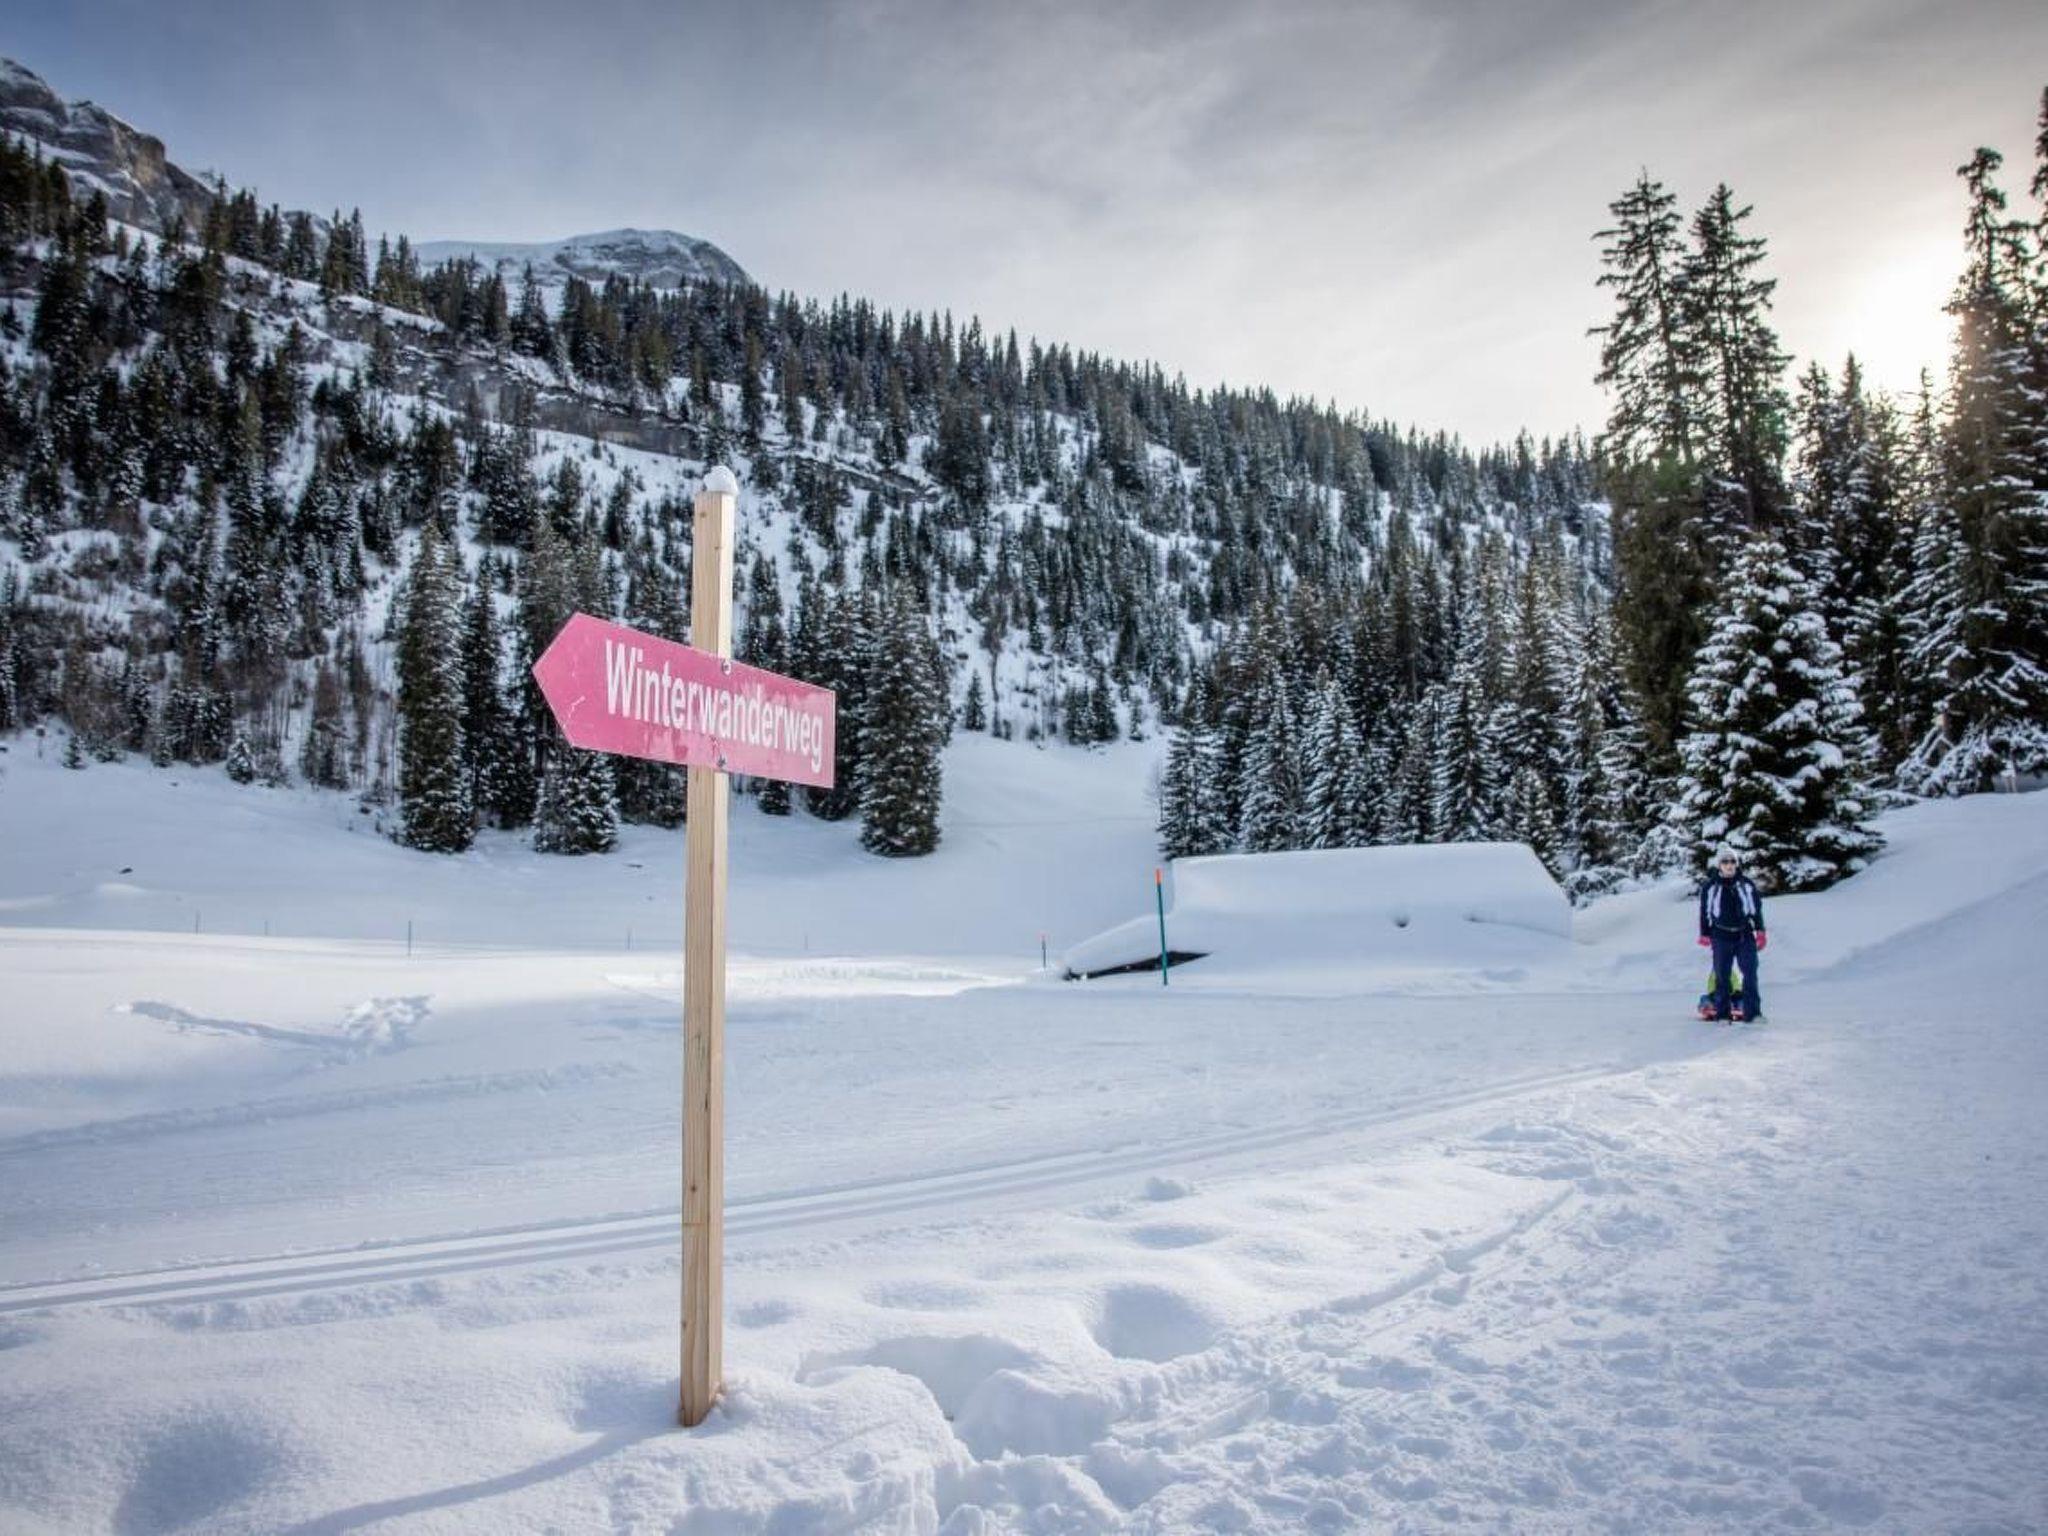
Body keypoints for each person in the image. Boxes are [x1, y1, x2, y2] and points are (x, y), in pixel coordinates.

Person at [1697, 847, 1767, 1023]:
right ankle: (1722, 1014)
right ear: (1719, 865)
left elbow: (1756, 909)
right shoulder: (1710, 887)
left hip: (1744, 935)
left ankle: (1753, 1014)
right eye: (1725, 861)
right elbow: (1705, 911)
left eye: (1732, 861)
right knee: (1722, 976)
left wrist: (1760, 930)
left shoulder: (1746, 884)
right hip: (1720, 935)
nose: (1729, 865)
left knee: (1750, 974)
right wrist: (1705, 933)